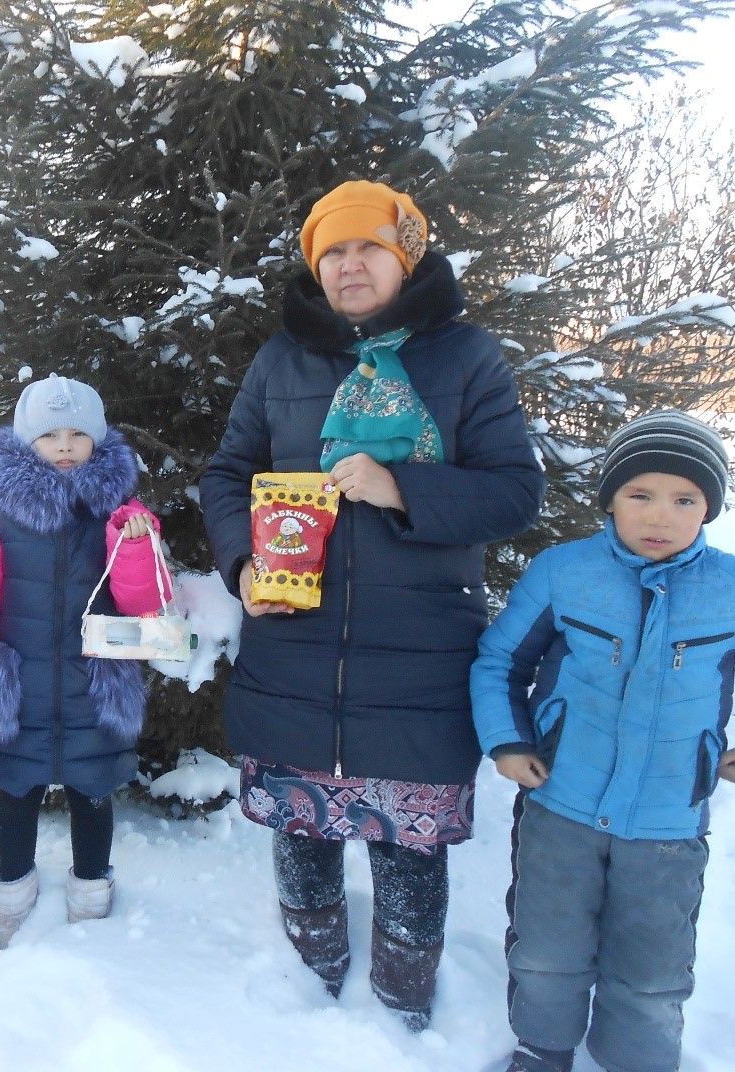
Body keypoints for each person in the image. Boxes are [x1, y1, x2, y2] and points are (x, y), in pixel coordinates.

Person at [199, 179, 544, 1029]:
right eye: (334, 253)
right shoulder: (282, 360)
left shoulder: (464, 358)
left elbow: (515, 491)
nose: (350, 266)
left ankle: (403, 1007)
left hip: (418, 656)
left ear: (405, 258)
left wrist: (402, 488)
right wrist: (243, 563)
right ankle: (307, 985)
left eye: (369, 249)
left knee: (410, 849)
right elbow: (228, 473)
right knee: (303, 836)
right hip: (294, 648)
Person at [471, 410, 735, 1072]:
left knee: (653, 966)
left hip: (668, 819)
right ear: (610, 499)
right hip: (562, 802)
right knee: (546, 948)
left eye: (684, 500)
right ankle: (542, 1047)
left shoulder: (729, 589)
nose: (660, 515)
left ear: (709, 507)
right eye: (640, 494)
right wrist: (507, 741)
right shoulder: (564, 572)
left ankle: (636, 1058)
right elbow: (500, 662)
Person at [0, 374, 168, 949]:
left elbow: (146, 604)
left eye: (77, 434)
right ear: (26, 442)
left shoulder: (118, 513)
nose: (65, 446)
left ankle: (91, 895)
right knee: (16, 792)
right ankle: (12, 894)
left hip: (95, 686)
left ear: (98, 441)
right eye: (50, 435)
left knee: (94, 792)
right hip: (21, 688)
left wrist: (134, 543)